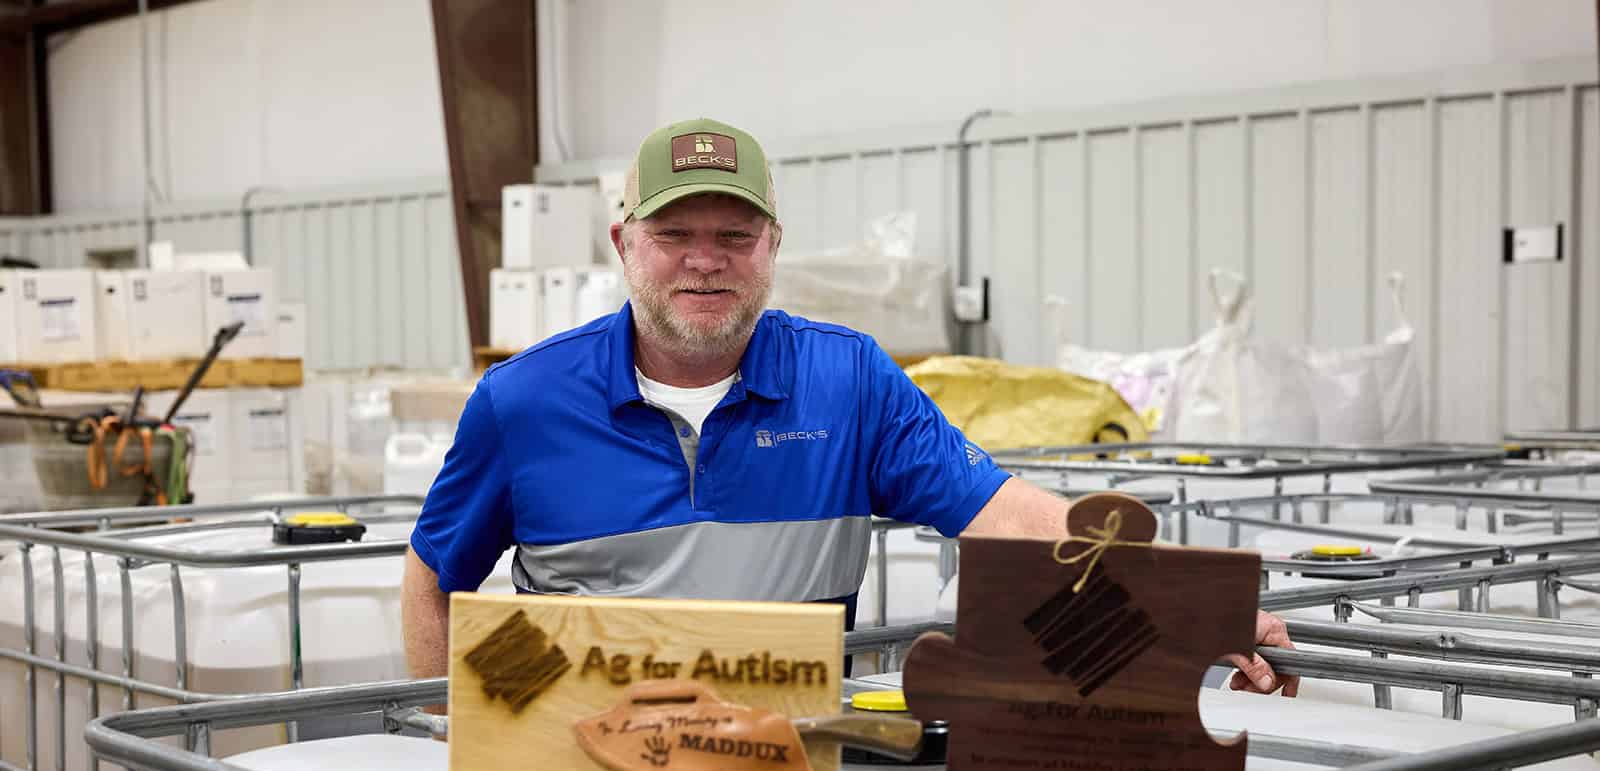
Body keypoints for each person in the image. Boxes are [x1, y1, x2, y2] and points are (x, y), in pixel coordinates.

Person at [401, 116, 1295, 694]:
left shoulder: (849, 382)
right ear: (623, 244)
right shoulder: (522, 403)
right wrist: (461, 732)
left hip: (783, 767)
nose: (704, 260)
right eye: (673, 234)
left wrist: (1190, 600)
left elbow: (1010, 517)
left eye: (734, 236)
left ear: (773, 244)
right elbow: (434, 576)